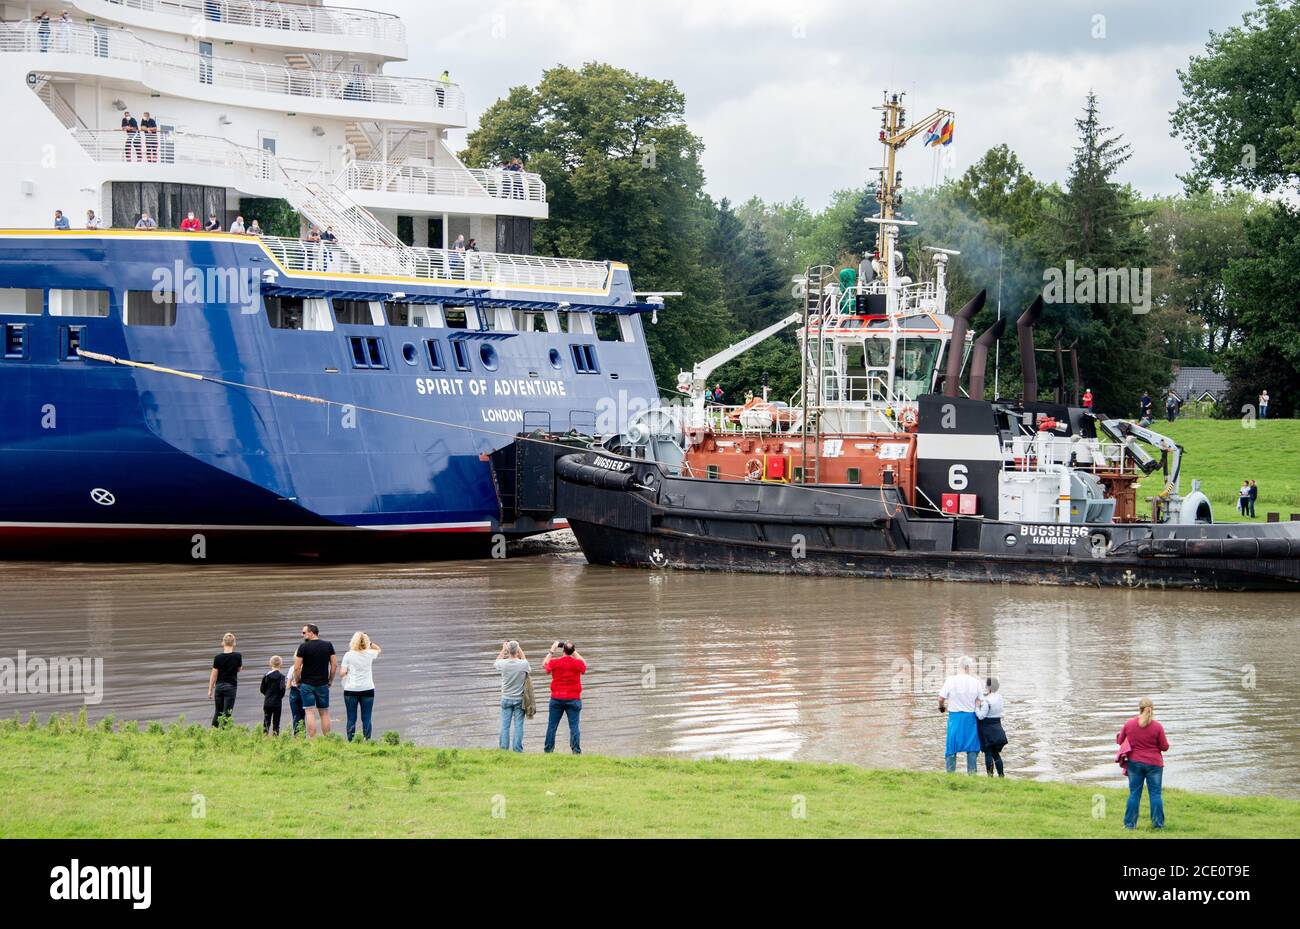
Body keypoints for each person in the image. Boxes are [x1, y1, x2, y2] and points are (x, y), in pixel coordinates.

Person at [1116, 697, 1169, 830]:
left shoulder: (1129, 724)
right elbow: (1164, 747)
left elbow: (1120, 740)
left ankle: (1129, 825)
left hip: (1135, 764)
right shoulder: (1158, 726)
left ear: (1139, 709)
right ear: (1152, 710)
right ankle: (1158, 825)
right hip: (1154, 765)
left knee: (1134, 793)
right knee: (1155, 794)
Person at [938, 656, 982, 774]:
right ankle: (972, 774)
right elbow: (979, 701)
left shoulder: (951, 680)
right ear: (967, 667)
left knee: (952, 745)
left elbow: (941, 698)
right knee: (972, 746)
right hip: (970, 718)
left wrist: (941, 707)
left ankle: (950, 773)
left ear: (960, 666)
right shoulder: (976, 682)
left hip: (955, 718)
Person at [292, 624, 336, 737]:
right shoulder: (328, 645)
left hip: (307, 684)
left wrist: (297, 681)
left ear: (311, 632)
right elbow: (334, 665)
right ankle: (327, 739)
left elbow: (296, 668)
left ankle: (313, 740)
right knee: (324, 713)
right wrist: (330, 680)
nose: (302, 635)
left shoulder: (303, 647)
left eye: (304, 632)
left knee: (309, 712)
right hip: (323, 683)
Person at [542, 640, 586, 754]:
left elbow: (544, 665)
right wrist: (573, 651)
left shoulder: (555, 662)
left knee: (552, 726)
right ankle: (576, 751)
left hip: (556, 698)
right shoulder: (577, 663)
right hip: (574, 699)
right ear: (573, 651)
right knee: (574, 726)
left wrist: (552, 649)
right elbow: (584, 663)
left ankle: (548, 750)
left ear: (563, 650)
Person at [340, 631, 380, 742]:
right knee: (366, 718)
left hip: (351, 690)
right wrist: (370, 643)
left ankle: (351, 741)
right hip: (367, 689)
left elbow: (342, 673)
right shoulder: (370, 653)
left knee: (351, 718)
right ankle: (367, 740)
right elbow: (379, 649)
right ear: (366, 642)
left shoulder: (348, 655)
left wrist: (349, 672)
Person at [494, 640, 531, 752]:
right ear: (517, 651)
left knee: (505, 725)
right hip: (519, 699)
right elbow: (525, 661)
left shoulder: (503, 663)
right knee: (518, 725)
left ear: (508, 651)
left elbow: (496, 662)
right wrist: (519, 648)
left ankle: (504, 749)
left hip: (506, 698)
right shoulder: (523, 664)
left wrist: (503, 649)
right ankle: (517, 749)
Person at [207, 633, 242, 728]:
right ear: (234, 643)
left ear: (222, 643)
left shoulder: (217, 658)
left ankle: (213, 733)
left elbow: (213, 675)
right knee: (227, 713)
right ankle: (225, 734)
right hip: (231, 687)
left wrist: (210, 689)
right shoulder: (238, 656)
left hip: (219, 687)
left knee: (218, 712)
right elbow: (239, 669)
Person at [975, 676, 1007, 778]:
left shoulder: (986, 701)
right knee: (996, 754)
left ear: (988, 687)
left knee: (988, 753)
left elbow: (980, 716)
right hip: (997, 727)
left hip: (987, 729)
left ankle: (990, 776)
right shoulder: (1000, 698)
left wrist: (977, 706)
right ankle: (1001, 775)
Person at [260, 656, 286, 735]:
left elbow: (262, 689)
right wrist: (279, 696)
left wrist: (267, 694)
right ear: (281, 664)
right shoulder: (282, 677)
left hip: (267, 702)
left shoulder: (266, 676)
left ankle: (264, 737)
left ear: (270, 664)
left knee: (266, 722)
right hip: (277, 702)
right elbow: (282, 690)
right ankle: (275, 739)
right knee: (276, 723)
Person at [287, 642, 306, 736]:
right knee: (303, 715)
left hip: (294, 692)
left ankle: (296, 735)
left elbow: (288, 685)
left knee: (295, 715)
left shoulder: (292, 668)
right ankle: (303, 734)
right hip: (304, 692)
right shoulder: (307, 668)